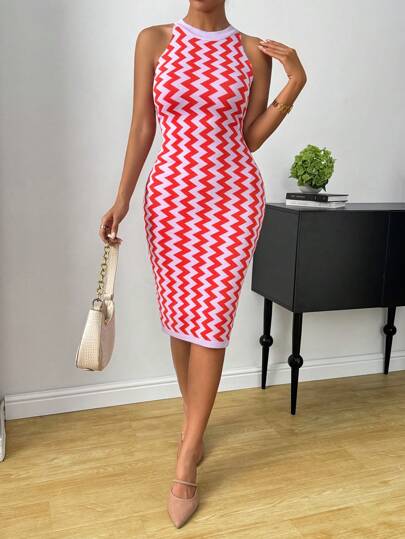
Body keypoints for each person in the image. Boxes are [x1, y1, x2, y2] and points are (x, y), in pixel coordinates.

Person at [99, 0, 306, 528]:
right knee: (182, 322)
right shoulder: (155, 40)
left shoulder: (251, 52)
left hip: (232, 199)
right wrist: (122, 198)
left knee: (210, 323)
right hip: (171, 200)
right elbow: (142, 127)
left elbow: (249, 139)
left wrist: (295, 83)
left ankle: (187, 455)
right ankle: (194, 424)